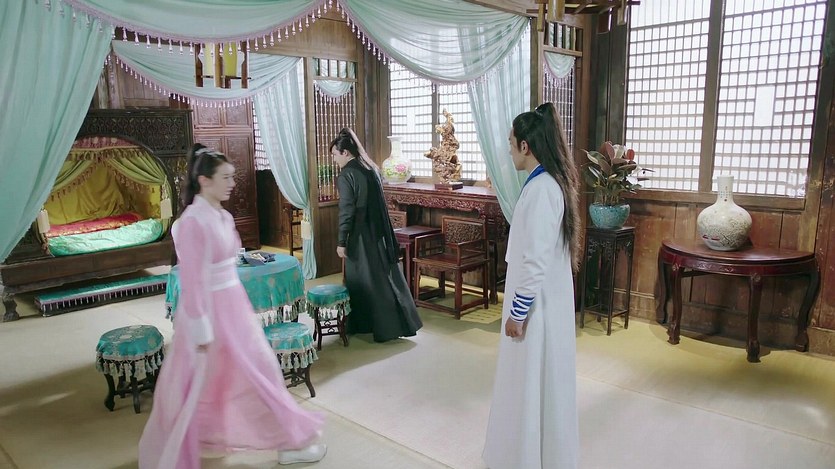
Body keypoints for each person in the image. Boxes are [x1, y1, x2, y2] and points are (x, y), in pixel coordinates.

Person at [138, 144, 326, 468]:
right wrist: (200, 326)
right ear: (204, 180)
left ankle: (283, 441)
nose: (232, 183)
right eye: (225, 177)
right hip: (209, 314)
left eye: (232, 177)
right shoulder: (192, 222)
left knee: (258, 372)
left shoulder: (222, 216)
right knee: (219, 380)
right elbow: (193, 279)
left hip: (234, 308)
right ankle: (284, 443)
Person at [483, 103, 582, 469]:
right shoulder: (547, 184)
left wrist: (517, 313)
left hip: (537, 309)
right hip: (544, 303)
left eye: (511, 145)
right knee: (539, 384)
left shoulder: (542, 189)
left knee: (533, 381)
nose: (509, 152)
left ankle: (530, 458)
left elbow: (535, 259)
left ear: (525, 146)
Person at [329, 128, 423, 343]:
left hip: (361, 235)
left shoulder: (347, 175)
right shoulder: (370, 168)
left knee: (363, 281)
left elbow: (347, 211)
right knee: (382, 277)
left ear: (345, 153)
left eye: (335, 155)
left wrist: (342, 241)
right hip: (379, 232)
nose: (334, 160)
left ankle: (371, 325)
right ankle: (398, 323)